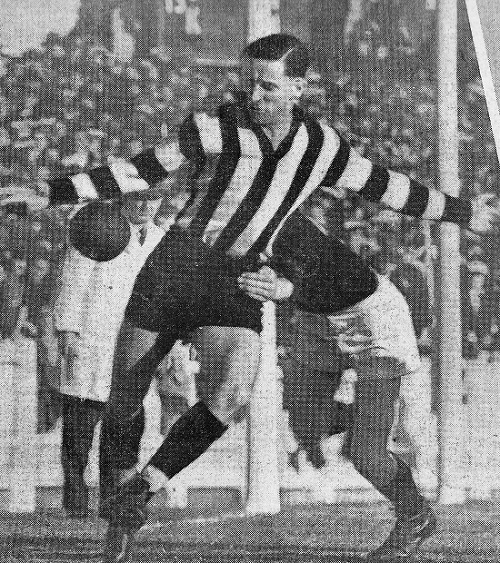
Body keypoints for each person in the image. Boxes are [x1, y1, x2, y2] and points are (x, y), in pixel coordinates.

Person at [22, 33, 499, 562]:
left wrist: (464, 212)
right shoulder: (212, 128)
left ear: (299, 86)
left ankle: (142, 488)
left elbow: (392, 188)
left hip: (238, 278)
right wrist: (50, 192)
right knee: (123, 398)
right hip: (177, 265)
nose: (255, 95)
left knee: (229, 395)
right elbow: (138, 170)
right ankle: (120, 486)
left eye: (268, 86)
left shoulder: (321, 147)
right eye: (247, 82)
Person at [53, 190, 165, 518]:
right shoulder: (98, 228)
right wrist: (69, 331)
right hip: (92, 336)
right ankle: (75, 501)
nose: (145, 206)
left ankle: (111, 500)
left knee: (125, 424)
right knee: (80, 426)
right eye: (139, 198)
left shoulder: (163, 239)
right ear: (124, 199)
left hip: (135, 341)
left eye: (153, 199)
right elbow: (71, 283)